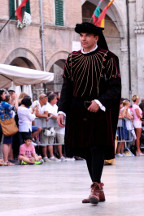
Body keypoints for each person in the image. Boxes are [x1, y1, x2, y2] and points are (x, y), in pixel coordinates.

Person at [57, 22, 121, 205]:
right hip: (77, 109)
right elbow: (67, 86)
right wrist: (61, 109)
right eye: (81, 35)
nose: (83, 39)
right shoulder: (72, 58)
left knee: (96, 147)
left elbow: (115, 87)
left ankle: (95, 186)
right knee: (85, 149)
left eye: (87, 36)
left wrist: (100, 101)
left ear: (96, 38)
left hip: (98, 110)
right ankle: (97, 187)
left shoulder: (108, 58)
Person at [0, 90, 18, 165]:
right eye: (5, 93)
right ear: (1, 95)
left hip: (2, 123)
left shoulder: (2, 104)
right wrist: (16, 99)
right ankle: (6, 160)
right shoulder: (4, 103)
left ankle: (4, 160)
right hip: (6, 124)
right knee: (6, 142)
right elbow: (15, 108)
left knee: (6, 141)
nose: (7, 95)